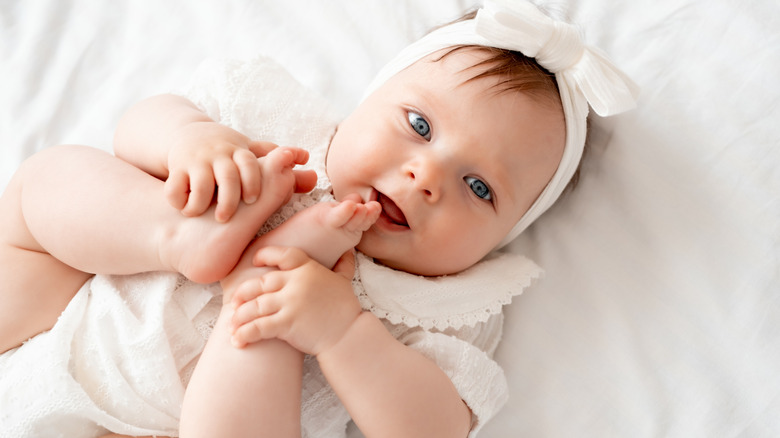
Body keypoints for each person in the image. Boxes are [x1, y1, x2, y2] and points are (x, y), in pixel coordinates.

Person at [0, 1, 638, 437]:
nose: (425, 177)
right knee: (45, 182)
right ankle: (180, 236)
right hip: (58, 316)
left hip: (159, 425)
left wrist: (341, 333)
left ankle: (266, 282)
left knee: (260, 355)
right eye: (418, 125)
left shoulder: (456, 307)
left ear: (505, 237)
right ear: (368, 99)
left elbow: (432, 428)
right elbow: (135, 128)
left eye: (478, 187)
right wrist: (191, 140)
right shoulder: (269, 127)